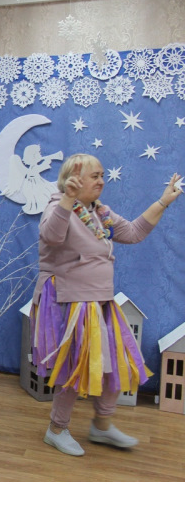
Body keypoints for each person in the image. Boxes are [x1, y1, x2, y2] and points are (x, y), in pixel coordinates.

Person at [31, 153, 182, 456]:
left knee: (116, 362)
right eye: (95, 176)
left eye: (102, 175)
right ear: (73, 180)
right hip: (70, 303)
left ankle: (101, 426)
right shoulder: (57, 206)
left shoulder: (99, 212)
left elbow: (134, 232)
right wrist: (67, 200)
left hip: (100, 301)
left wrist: (163, 202)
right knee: (74, 368)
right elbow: (51, 236)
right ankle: (56, 429)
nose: (101, 181)